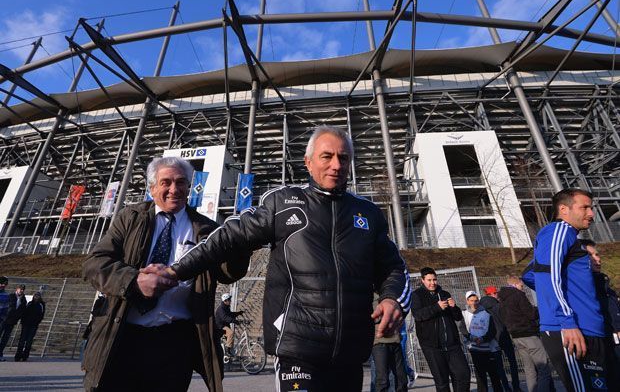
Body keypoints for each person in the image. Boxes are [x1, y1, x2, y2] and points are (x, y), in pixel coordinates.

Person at [166, 125, 411, 392]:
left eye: (343, 158)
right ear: (308, 162)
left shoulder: (368, 213)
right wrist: (175, 272)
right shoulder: (283, 203)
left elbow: (394, 268)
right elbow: (227, 236)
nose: (336, 165)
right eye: (326, 156)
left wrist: (392, 298)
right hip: (297, 349)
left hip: (349, 355)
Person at [82, 157, 250, 392]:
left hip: (175, 343)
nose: (174, 189)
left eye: (181, 182)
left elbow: (227, 273)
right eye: (166, 182)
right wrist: (134, 280)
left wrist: (241, 246)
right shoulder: (130, 218)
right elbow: (94, 264)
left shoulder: (206, 229)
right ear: (152, 188)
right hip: (122, 336)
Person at [523, 188, 610, 391]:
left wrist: (568, 290)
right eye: (585, 207)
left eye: (592, 207)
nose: (591, 213)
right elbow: (547, 276)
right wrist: (566, 320)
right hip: (570, 329)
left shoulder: (570, 238)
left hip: (589, 328)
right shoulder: (558, 231)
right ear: (563, 209)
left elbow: (530, 273)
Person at [411, 267, 470, 392]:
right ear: (423, 280)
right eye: (429, 280)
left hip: (452, 344)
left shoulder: (444, 294)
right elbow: (418, 315)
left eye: (434, 280)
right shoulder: (417, 295)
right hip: (432, 346)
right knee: (442, 381)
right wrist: (436, 307)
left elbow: (458, 317)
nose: (432, 283)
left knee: (463, 374)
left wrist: (454, 307)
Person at [498, 275, 553, 392]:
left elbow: (502, 317)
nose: (522, 288)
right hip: (528, 334)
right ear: (516, 284)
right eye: (521, 286)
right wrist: (538, 310)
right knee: (543, 369)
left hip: (515, 337)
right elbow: (531, 314)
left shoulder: (502, 299)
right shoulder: (518, 295)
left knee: (529, 369)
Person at [583, 240, 620, 390]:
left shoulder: (605, 285)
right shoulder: (586, 287)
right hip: (603, 347)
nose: (597, 259)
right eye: (589, 255)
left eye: (597, 254)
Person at [458, 291, 503, 392]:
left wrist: (483, 339)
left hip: (489, 349)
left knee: (494, 374)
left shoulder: (487, 313)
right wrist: (472, 337)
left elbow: (492, 330)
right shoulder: (464, 314)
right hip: (474, 348)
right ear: (467, 301)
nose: (474, 303)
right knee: (480, 375)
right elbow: (463, 329)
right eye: (471, 300)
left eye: (476, 300)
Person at [480, 285, 520, 392]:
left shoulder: (481, 307)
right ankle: (516, 386)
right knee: (512, 363)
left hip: (492, 339)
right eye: (496, 293)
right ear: (492, 294)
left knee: (499, 366)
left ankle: (506, 388)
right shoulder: (499, 306)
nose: (497, 294)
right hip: (504, 336)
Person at [372, 294, 408, 392]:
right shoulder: (371, 295)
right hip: (379, 343)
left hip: (395, 340)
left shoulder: (392, 293)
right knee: (382, 379)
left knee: (402, 378)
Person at [14, 291, 45, 361]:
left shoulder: (41, 305)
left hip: (34, 325)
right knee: (22, 340)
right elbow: (24, 312)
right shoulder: (29, 303)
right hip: (26, 324)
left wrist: (37, 322)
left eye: (38, 296)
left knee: (29, 340)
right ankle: (18, 355)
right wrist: (23, 321)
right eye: (35, 296)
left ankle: (25, 356)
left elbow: (41, 315)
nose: (36, 297)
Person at [0, 284, 26, 361]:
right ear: (17, 289)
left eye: (23, 289)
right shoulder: (10, 296)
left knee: (5, 338)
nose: (21, 290)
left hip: (12, 322)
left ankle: (0, 353)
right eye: (20, 289)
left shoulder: (23, 299)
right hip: (3, 319)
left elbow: (22, 311)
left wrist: (17, 318)